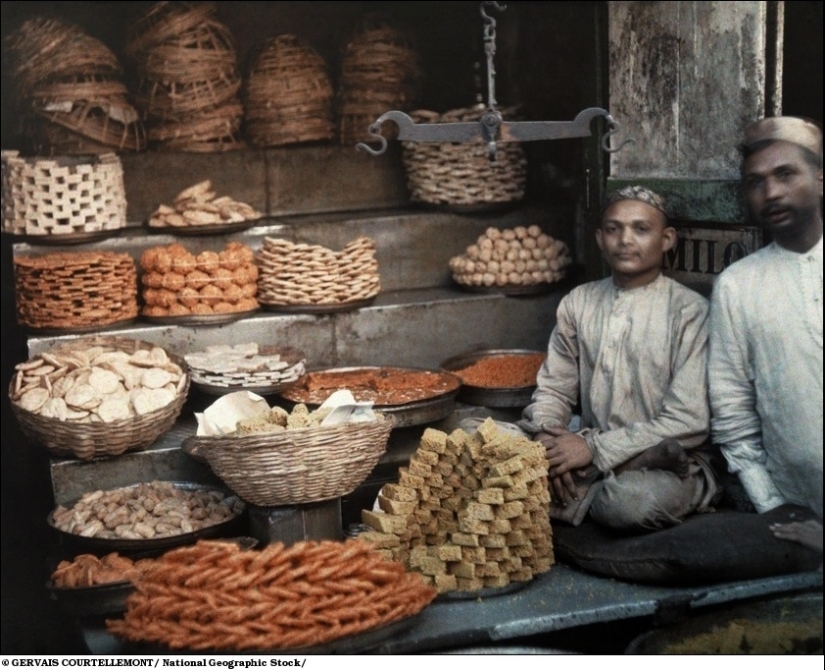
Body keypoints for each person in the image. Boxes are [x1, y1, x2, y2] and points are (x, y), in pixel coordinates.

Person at [516, 186, 722, 531]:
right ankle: (582, 476)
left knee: (627, 503)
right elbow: (554, 390)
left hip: (671, 460)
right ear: (599, 238)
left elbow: (688, 420)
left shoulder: (691, 312)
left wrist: (593, 450)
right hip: (581, 442)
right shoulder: (578, 302)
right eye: (614, 229)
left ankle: (594, 480)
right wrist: (547, 446)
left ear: (667, 238)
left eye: (641, 229)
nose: (625, 240)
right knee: (476, 437)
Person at [709, 116, 823, 553]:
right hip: (793, 515)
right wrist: (771, 502)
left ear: (819, 177)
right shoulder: (738, 285)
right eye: (755, 182)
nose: (771, 193)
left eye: (785, 174)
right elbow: (731, 407)